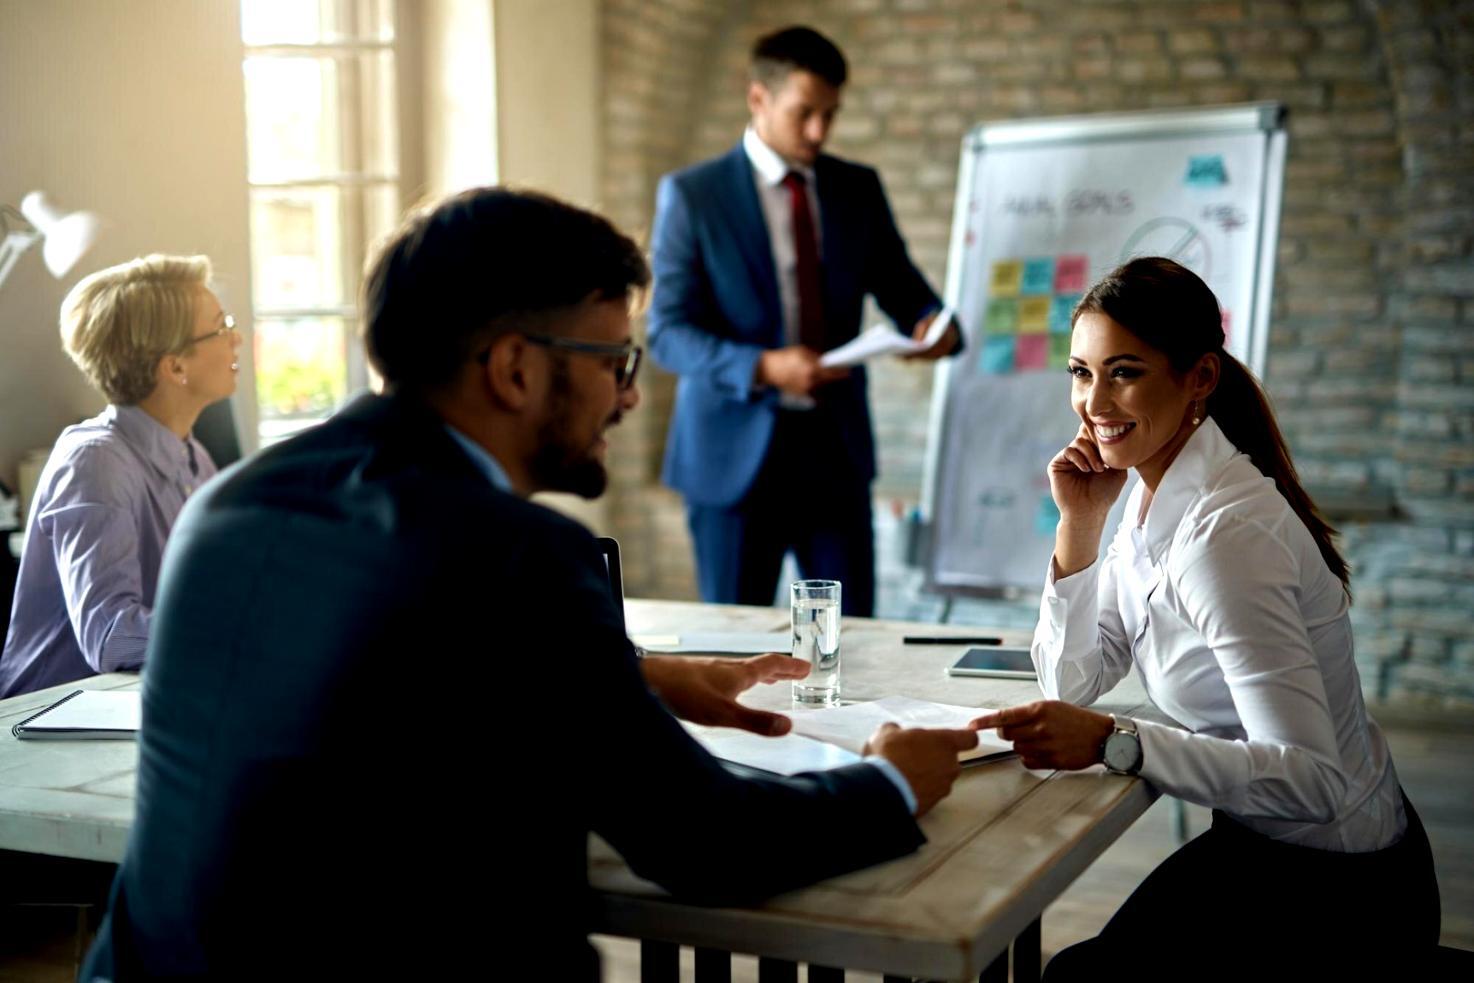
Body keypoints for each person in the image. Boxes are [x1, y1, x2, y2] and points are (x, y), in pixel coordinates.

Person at [82, 188, 978, 981]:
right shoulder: (519, 555)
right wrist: (891, 781)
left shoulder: (232, 502)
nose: (628, 398)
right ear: (515, 368)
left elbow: (382, 676)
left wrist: (634, 677)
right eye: (614, 363)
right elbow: (704, 839)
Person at [969, 258, 1440, 976]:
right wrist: (1079, 527)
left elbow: (1313, 781)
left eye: (1124, 371)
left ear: (1200, 378)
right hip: (1264, 842)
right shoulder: (1150, 492)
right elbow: (1072, 682)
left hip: (1344, 883)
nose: (1094, 402)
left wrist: (1114, 740)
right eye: (1080, 371)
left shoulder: (1226, 536)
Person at [648, 25, 962, 618]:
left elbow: (911, 295)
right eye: (805, 112)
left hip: (834, 455)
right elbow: (665, 332)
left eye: (831, 114)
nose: (819, 131)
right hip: (729, 462)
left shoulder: (857, 189)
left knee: (854, 644)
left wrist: (933, 330)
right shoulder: (694, 195)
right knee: (734, 645)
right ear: (758, 99)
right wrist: (764, 366)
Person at [1, 255, 239, 698]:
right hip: (47, 728)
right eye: (221, 326)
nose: (237, 338)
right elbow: (109, 638)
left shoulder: (194, 458)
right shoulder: (95, 463)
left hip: (134, 705)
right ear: (175, 367)